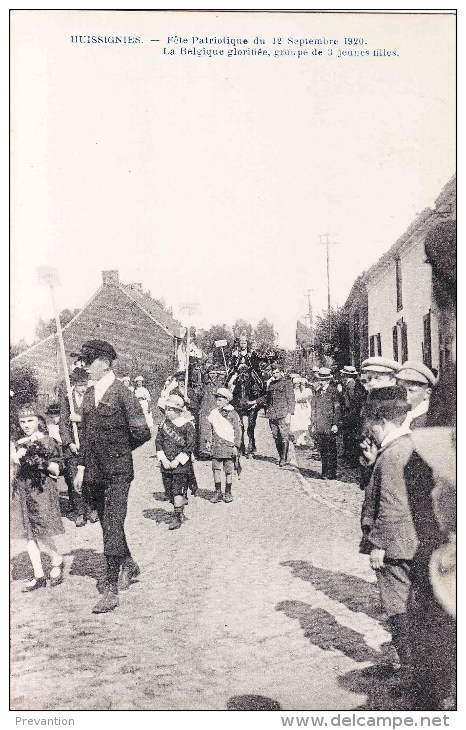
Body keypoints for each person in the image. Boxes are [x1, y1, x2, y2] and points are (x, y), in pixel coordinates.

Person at [73, 340, 151, 614]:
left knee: (114, 523)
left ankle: (110, 588)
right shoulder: (88, 395)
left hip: (118, 471)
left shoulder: (123, 394)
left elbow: (142, 433)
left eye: (88, 360)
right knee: (108, 524)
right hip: (94, 471)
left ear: (105, 363)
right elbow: (85, 438)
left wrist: (118, 450)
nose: (84, 366)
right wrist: (81, 468)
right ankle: (128, 563)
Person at [361, 386, 417, 679]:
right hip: (408, 543)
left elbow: (393, 504)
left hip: (395, 547)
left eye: (371, 425)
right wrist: (373, 464)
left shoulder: (394, 454)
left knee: (398, 609)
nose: (369, 433)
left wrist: (378, 544)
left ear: (382, 421)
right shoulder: (404, 447)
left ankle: (410, 673)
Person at [10, 403, 65, 591]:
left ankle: (57, 559)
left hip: (40, 489)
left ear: (39, 421)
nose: (26, 425)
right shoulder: (18, 443)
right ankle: (39, 574)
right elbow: (15, 469)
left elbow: (56, 468)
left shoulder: (47, 440)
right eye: (22, 421)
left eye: (30, 421)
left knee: (42, 531)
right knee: (28, 533)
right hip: (23, 490)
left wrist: (38, 460)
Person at [59, 366, 98, 527]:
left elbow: (98, 421)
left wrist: (80, 418)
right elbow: (63, 423)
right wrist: (69, 443)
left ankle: (92, 509)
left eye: (85, 384)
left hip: (89, 445)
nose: (83, 388)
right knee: (75, 479)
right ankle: (79, 512)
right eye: (80, 385)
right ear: (73, 384)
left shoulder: (92, 396)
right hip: (73, 447)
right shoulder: (68, 399)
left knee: (91, 479)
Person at [155, 394, 196, 529]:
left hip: (181, 465)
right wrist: (163, 459)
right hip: (166, 464)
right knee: (169, 492)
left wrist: (177, 461)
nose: (167, 412)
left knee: (177, 490)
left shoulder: (187, 425)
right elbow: (158, 442)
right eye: (166, 409)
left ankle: (177, 517)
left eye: (171, 409)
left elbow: (190, 446)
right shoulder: (163, 425)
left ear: (178, 411)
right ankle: (180, 510)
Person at [206, 388, 242, 503]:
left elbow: (238, 431)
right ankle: (217, 492)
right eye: (217, 400)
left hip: (229, 446)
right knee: (216, 468)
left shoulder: (233, 414)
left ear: (227, 400)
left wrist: (236, 446)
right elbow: (209, 428)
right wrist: (208, 441)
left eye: (220, 400)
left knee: (228, 470)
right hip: (216, 445)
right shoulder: (214, 413)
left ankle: (228, 492)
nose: (217, 402)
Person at [310, 367, 341, 479]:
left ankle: (331, 473)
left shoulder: (334, 392)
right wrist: (313, 423)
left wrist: (335, 424)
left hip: (330, 425)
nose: (321, 382)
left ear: (328, 380)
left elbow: (337, 409)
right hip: (320, 424)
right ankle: (324, 472)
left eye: (323, 380)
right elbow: (313, 408)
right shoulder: (317, 392)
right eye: (320, 380)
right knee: (323, 449)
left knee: (331, 449)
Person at [264, 363, 295, 466]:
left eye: (277, 372)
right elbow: (266, 398)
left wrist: (290, 413)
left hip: (283, 414)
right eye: (273, 373)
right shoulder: (271, 384)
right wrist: (254, 402)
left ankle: (284, 458)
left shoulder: (287, 383)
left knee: (284, 436)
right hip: (272, 414)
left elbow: (291, 399)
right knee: (276, 436)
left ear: (282, 372)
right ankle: (281, 455)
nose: (275, 375)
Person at [395, 361, 437, 429]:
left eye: (411, 391)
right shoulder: (405, 415)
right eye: (402, 390)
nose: (405, 395)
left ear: (427, 393)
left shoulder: (428, 420)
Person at [290, 377, 312, 446]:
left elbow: (309, 398)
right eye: (296, 384)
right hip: (297, 408)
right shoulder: (294, 391)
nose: (299, 385)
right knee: (296, 424)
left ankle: (302, 439)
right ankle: (297, 439)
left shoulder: (307, 390)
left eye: (301, 384)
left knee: (303, 424)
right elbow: (294, 399)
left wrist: (304, 399)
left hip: (304, 408)